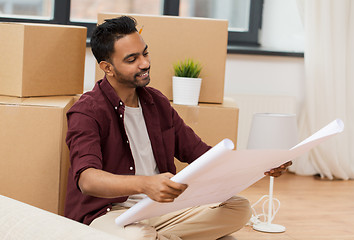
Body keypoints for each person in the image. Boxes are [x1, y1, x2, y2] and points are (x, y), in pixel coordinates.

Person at [64, 16, 291, 240]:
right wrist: (145, 185)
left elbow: (201, 154)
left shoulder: (157, 103)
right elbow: (87, 180)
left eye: (145, 53)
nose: (144, 63)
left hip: (159, 210)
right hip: (108, 214)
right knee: (138, 237)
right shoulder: (87, 111)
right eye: (132, 59)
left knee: (238, 208)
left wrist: (259, 165)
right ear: (108, 68)